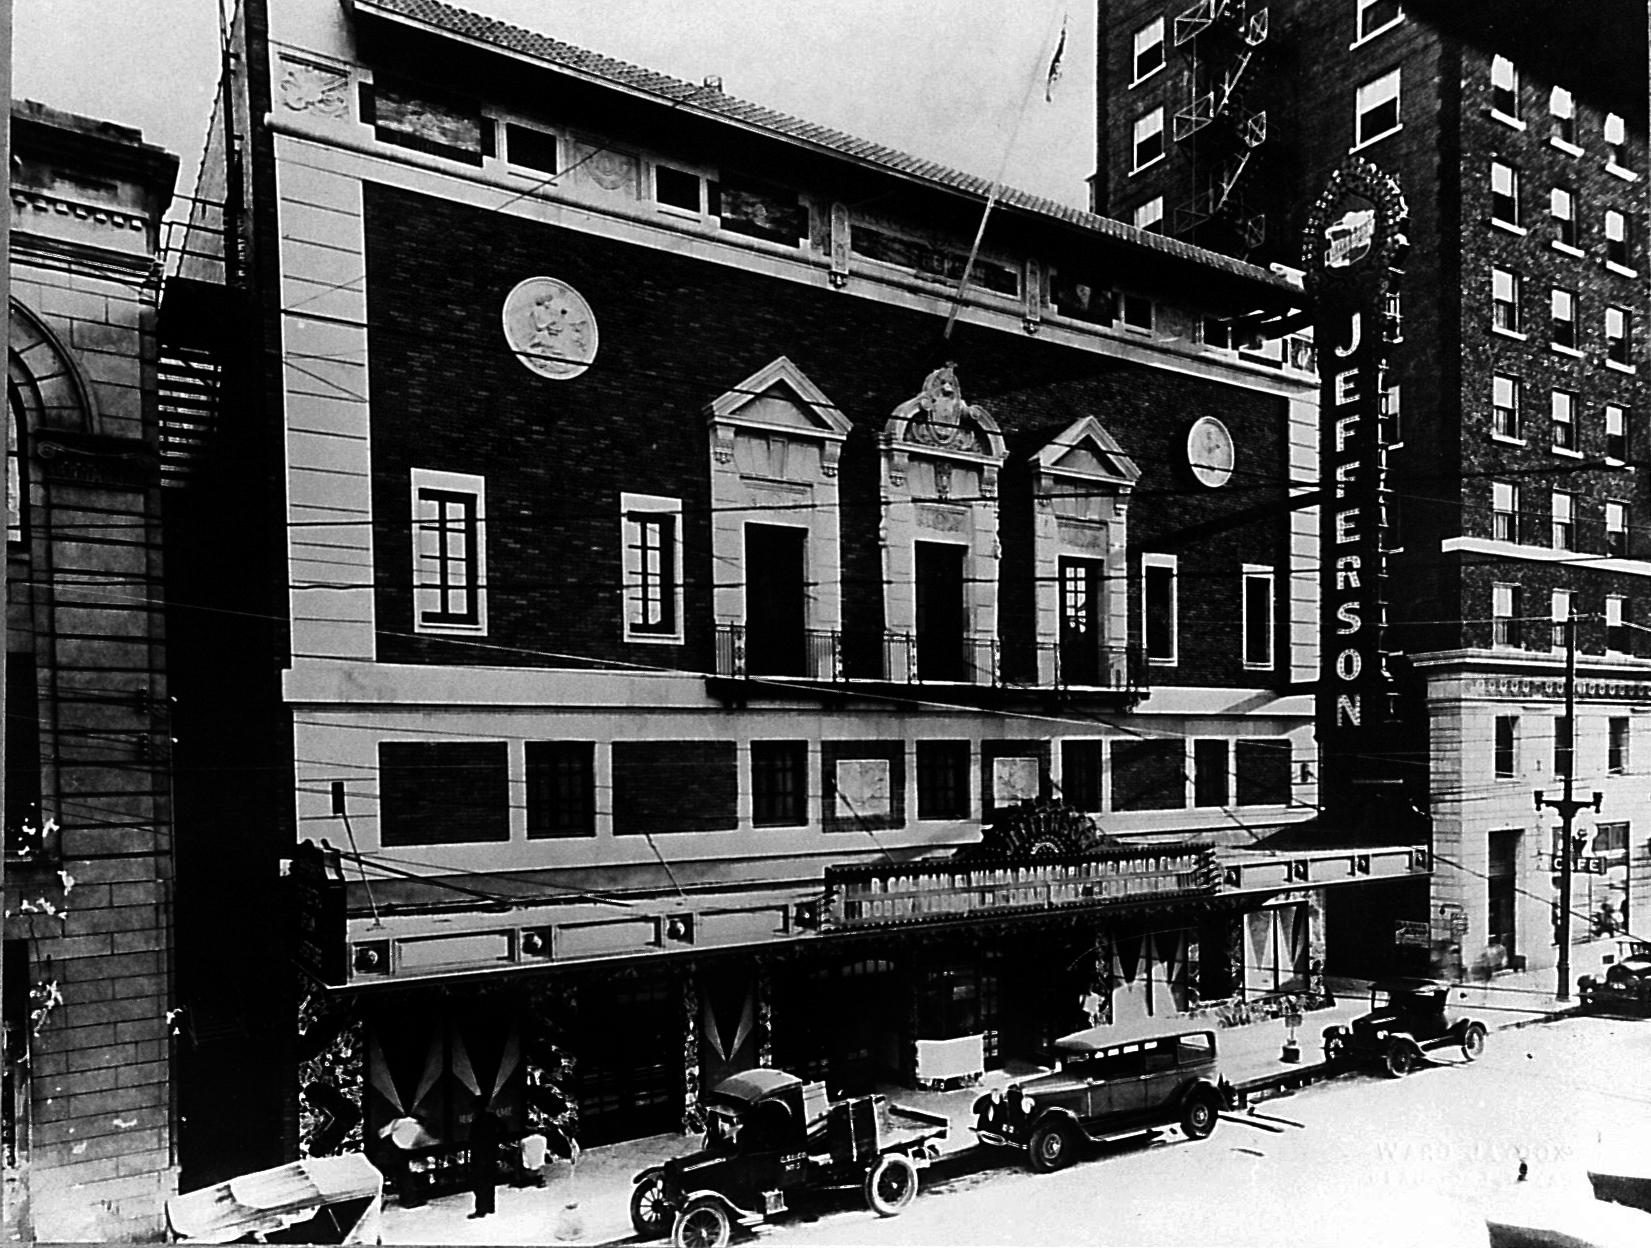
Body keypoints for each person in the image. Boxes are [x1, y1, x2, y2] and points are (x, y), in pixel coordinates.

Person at [467, 1107, 502, 1219]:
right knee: (490, 1182)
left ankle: (481, 1209)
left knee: (479, 1183)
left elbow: (473, 1140)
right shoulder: (492, 1118)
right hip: (491, 1153)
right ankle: (490, 1207)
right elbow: (503, 1129)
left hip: (480, 1156)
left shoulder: (477, 1122)